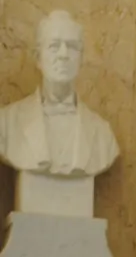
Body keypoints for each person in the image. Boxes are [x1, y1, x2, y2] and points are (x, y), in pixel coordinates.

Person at [0, 10, 119, 177]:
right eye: (54, 46)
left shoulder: (102, 134)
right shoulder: (6, 124)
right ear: (38, 58)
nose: (63, 55)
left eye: (72, 47)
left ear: (82, 58)